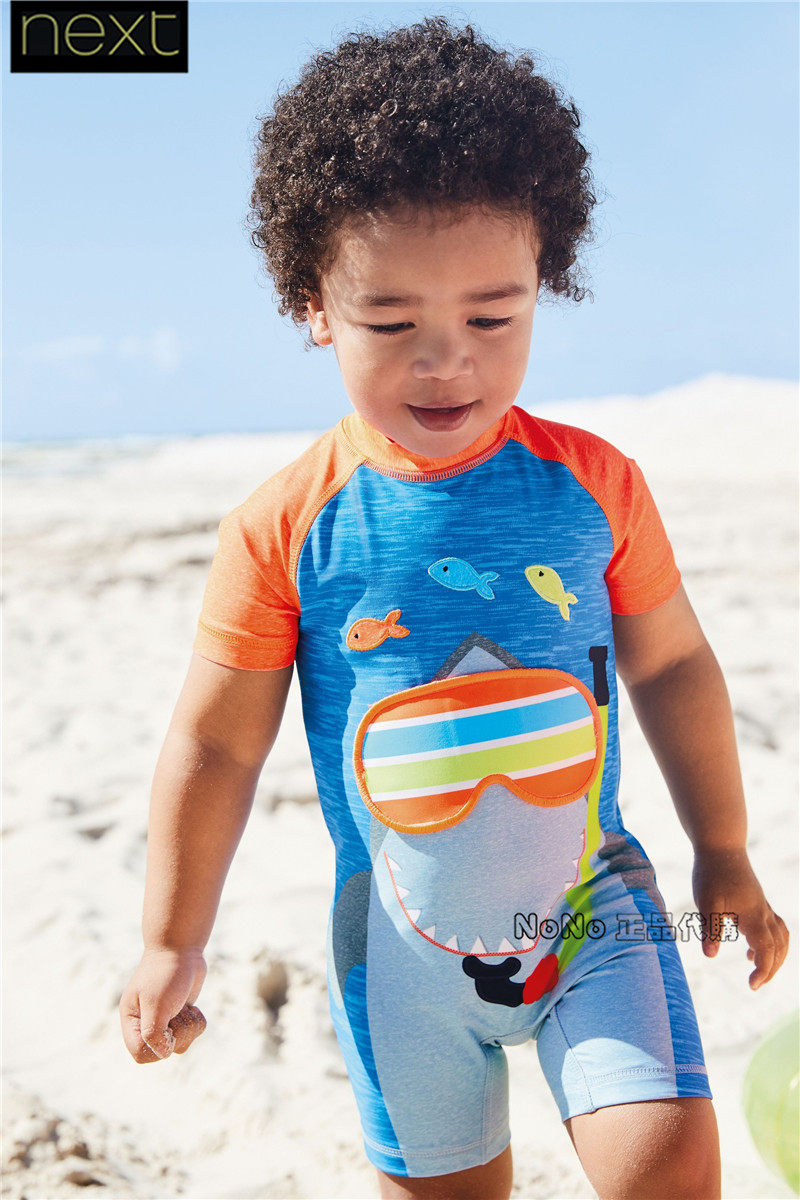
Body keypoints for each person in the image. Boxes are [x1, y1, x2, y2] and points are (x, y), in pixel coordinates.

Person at [119, 16, 789, 1200]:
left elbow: (673, 666)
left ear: (544, 285)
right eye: (391, 324)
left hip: (592, 911)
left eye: (492, 317)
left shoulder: (594, 486)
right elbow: (217, 744)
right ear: (311, 303)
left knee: (664, 1169)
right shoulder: (282, 529)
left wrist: (721, 850)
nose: (446, 361)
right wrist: (172, 938)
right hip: (398, 953)